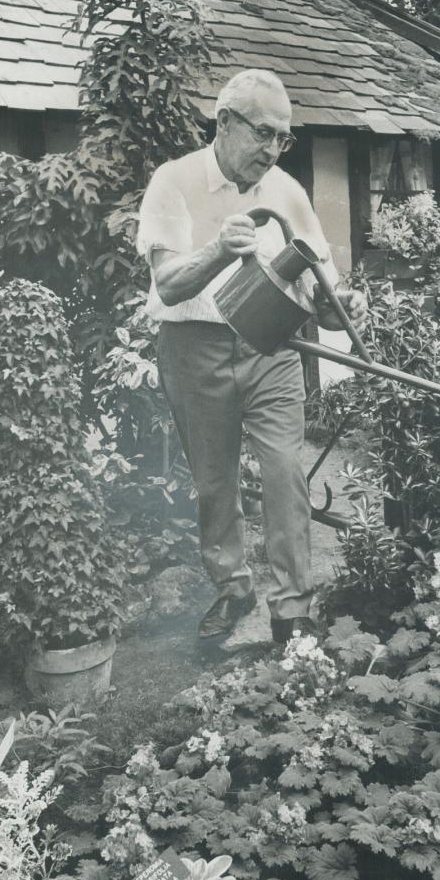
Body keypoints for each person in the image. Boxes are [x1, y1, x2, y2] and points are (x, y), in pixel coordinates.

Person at [137, 69, 367, 645]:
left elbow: (319, 290)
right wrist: (218, 249)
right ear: (224, 122)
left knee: (286, 471)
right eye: (263, 133)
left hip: (272, 350)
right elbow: (167, 285)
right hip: (193, 350)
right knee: (214, 482)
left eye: (282, 138)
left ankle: (292, 609)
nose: (272, 149)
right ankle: (233, 588)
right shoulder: (174, 181)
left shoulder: (287, 191)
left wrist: (342, 304)